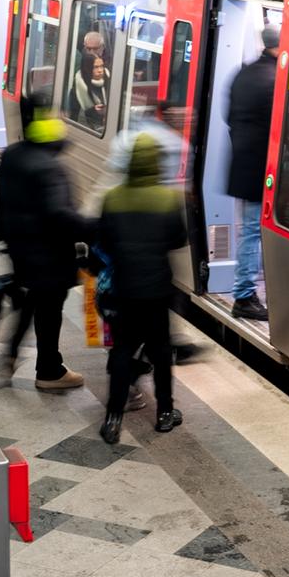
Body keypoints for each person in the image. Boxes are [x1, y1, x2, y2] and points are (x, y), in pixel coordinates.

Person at [97, 133, 188, 444]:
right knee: (161, 352)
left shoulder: (113, 198)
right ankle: (165, 413)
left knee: (122, 353)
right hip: (157, 290)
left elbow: (105, 241)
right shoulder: (168, 199)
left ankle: (113, 418)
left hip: (123, 290)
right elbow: (178, 239)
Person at [0, 100, 88, 389]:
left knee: (31, 300)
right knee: (49, 309)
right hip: (49, 255)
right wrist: (95, 228)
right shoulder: (49, 168)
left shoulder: (11, 155)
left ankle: (9, 355)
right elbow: (61, 215)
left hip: (19, 249)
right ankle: (49, 370)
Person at [226, 23, 279, 321]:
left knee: (251, 229)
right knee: (252, 231)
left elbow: (228, 115)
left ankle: (247, 292)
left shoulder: (244, 73)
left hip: (244, 163)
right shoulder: (273, 79)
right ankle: (244, 295)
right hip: (261, 167)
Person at [73, 52, 109, 131]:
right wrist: (93, 111)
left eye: (101, 66)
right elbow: (73, 117)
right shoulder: (79, 87)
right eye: (95, 67)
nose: (100, 70)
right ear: (87, 68)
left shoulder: (109, 80)